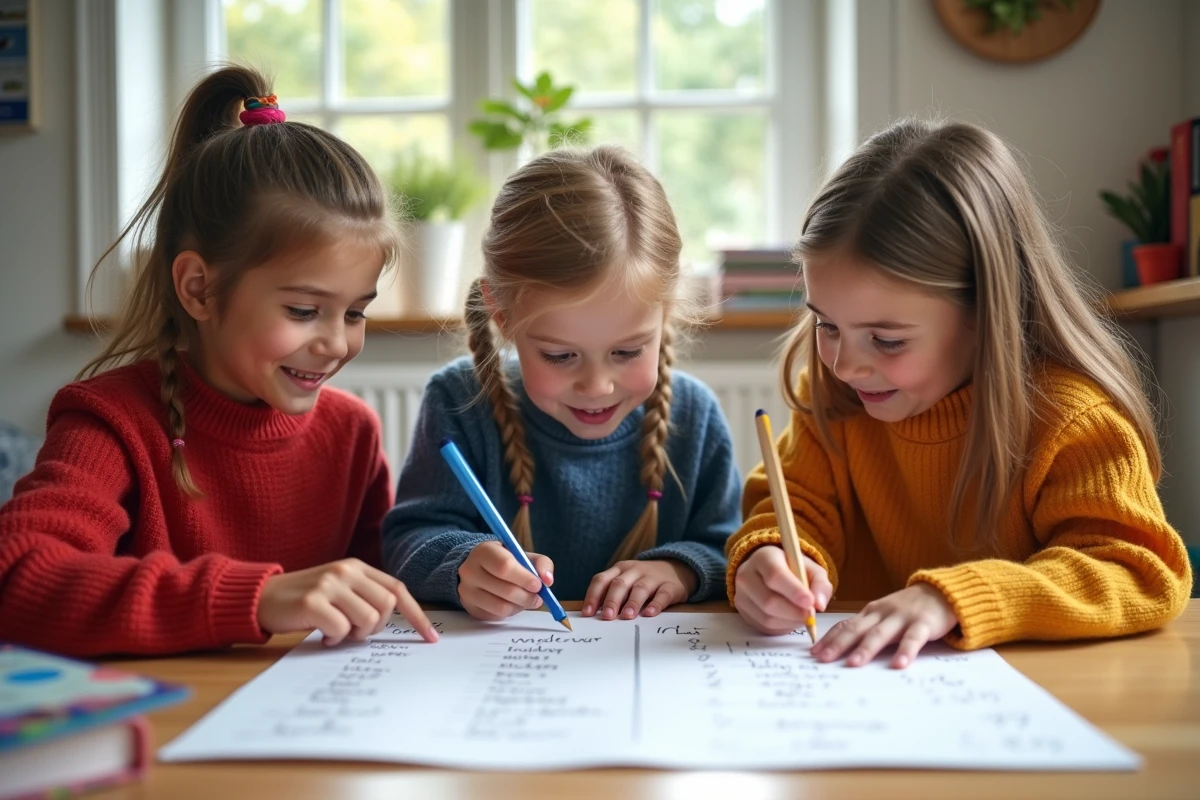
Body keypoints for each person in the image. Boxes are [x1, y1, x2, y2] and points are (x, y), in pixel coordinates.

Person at [0, 66, 437, 656]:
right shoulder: (109, 422)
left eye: (355, 313)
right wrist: (255, 599)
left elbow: (387, 595)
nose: (337, 344)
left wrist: (459, 565)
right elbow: (19, 579)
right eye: (305, 311)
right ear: (200, 289)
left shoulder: (351, 432)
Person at [728, 118, 1192, 668]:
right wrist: (772, 555)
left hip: (1033, 702)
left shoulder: (1071, 421)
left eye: (886, 339)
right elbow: (794, 506)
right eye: (827, 326)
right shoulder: (836, 396)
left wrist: (955, 597)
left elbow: (1138, 571)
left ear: (985, 312)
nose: (847, 364)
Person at [384, 146, 741, 622]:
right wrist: (461, 564)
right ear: (501, 314)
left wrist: (683, 570)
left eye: (627, 351)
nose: (596, 386)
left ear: (666, 311)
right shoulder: (458, 401)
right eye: (560, 355)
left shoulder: (693, 415)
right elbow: (408, 539)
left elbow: (729, 548)